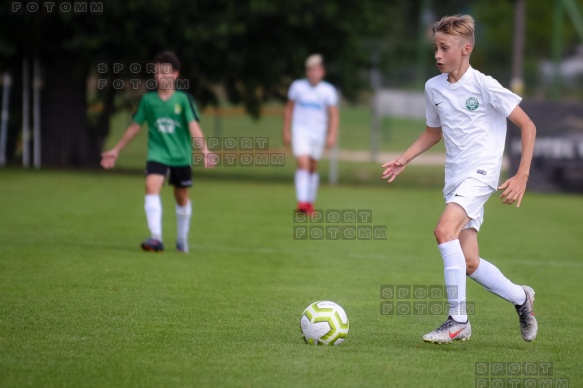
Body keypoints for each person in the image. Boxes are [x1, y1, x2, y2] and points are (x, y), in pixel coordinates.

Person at [381, 15, 538, 344]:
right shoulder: (432, 88)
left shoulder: (484, 85)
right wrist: (404, 159)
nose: (437, 55)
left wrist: (522, 175)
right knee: (468, 262)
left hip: (482, 174)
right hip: (454, 178)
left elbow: (528, 126)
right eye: (435, 48)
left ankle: (458, 321)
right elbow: (432, 133)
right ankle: (522, 299)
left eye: (444, 48)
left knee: (443, 230)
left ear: (465, 49)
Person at [101, 51, 212, 253]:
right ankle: (156, 238)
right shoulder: (148, 101)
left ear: (176, 74)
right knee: (151, 185)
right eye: (158, 72)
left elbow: (193, 125)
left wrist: (204, 150)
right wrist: (116, 150)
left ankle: (181, 238)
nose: (162, 76)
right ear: (154, 76)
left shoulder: (183, 99)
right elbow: (134, 126)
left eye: (166, 72)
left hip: (180, 156)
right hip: (157, 154)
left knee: (181, 197)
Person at [283, 54, 339, 214]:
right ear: (307, 72)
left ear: (322, 72)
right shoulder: (297, 86)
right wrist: (286, 131)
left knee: (313, 167)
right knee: (303, 164)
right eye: (310, 70)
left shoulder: (328, 90)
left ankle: (309, 203)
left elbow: (334, 114)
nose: (313, 73)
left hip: (318, 133)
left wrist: (332, 134)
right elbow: (289, 109)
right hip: (300, 131)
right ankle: (302, 203)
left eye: (317, 70)